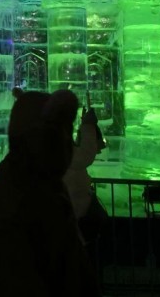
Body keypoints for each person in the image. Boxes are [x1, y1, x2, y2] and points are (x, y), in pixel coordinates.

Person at [0, 87, 99, 297]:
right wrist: (88, 127)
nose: (66, 145)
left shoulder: (36, 179)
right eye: (62, 135)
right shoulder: (27, 194)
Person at [62, 94, 108, 280]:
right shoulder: (57, 142)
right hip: (74, 210)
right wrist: (88, 127)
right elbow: (83, 156)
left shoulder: (46, 136)